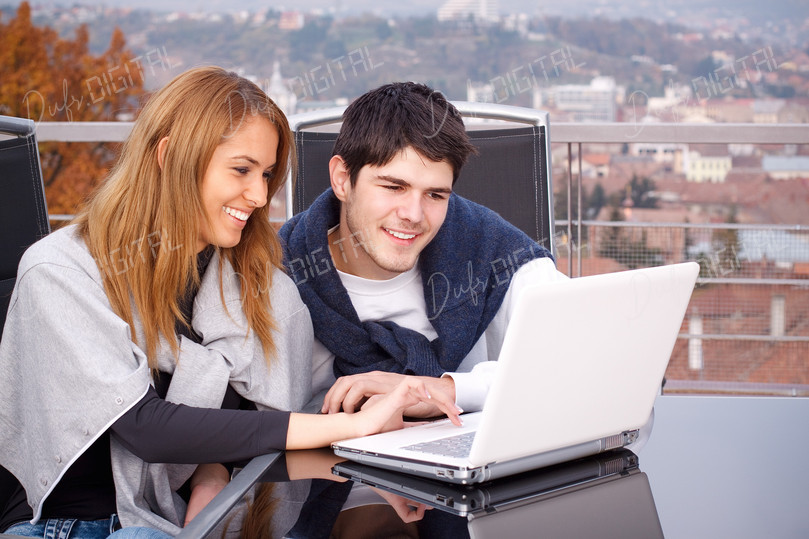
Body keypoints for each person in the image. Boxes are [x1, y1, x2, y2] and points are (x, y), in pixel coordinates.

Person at [0, 67, 460, 539]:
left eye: (265, 174)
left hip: (175, 525)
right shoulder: (60, 271)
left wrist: (213, 473)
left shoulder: (259, 290)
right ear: (169, 157)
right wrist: (351, 429)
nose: (260, 195)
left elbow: (250, 425)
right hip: (63, 526)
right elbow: (146, 427)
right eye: (241, 170)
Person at [279, 81, 569, 419]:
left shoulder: (496, 255)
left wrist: (446, 391)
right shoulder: (280, 276)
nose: (413, 215)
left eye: (435, 194)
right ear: (343, 179)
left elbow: (596, 360)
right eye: (393, 186)